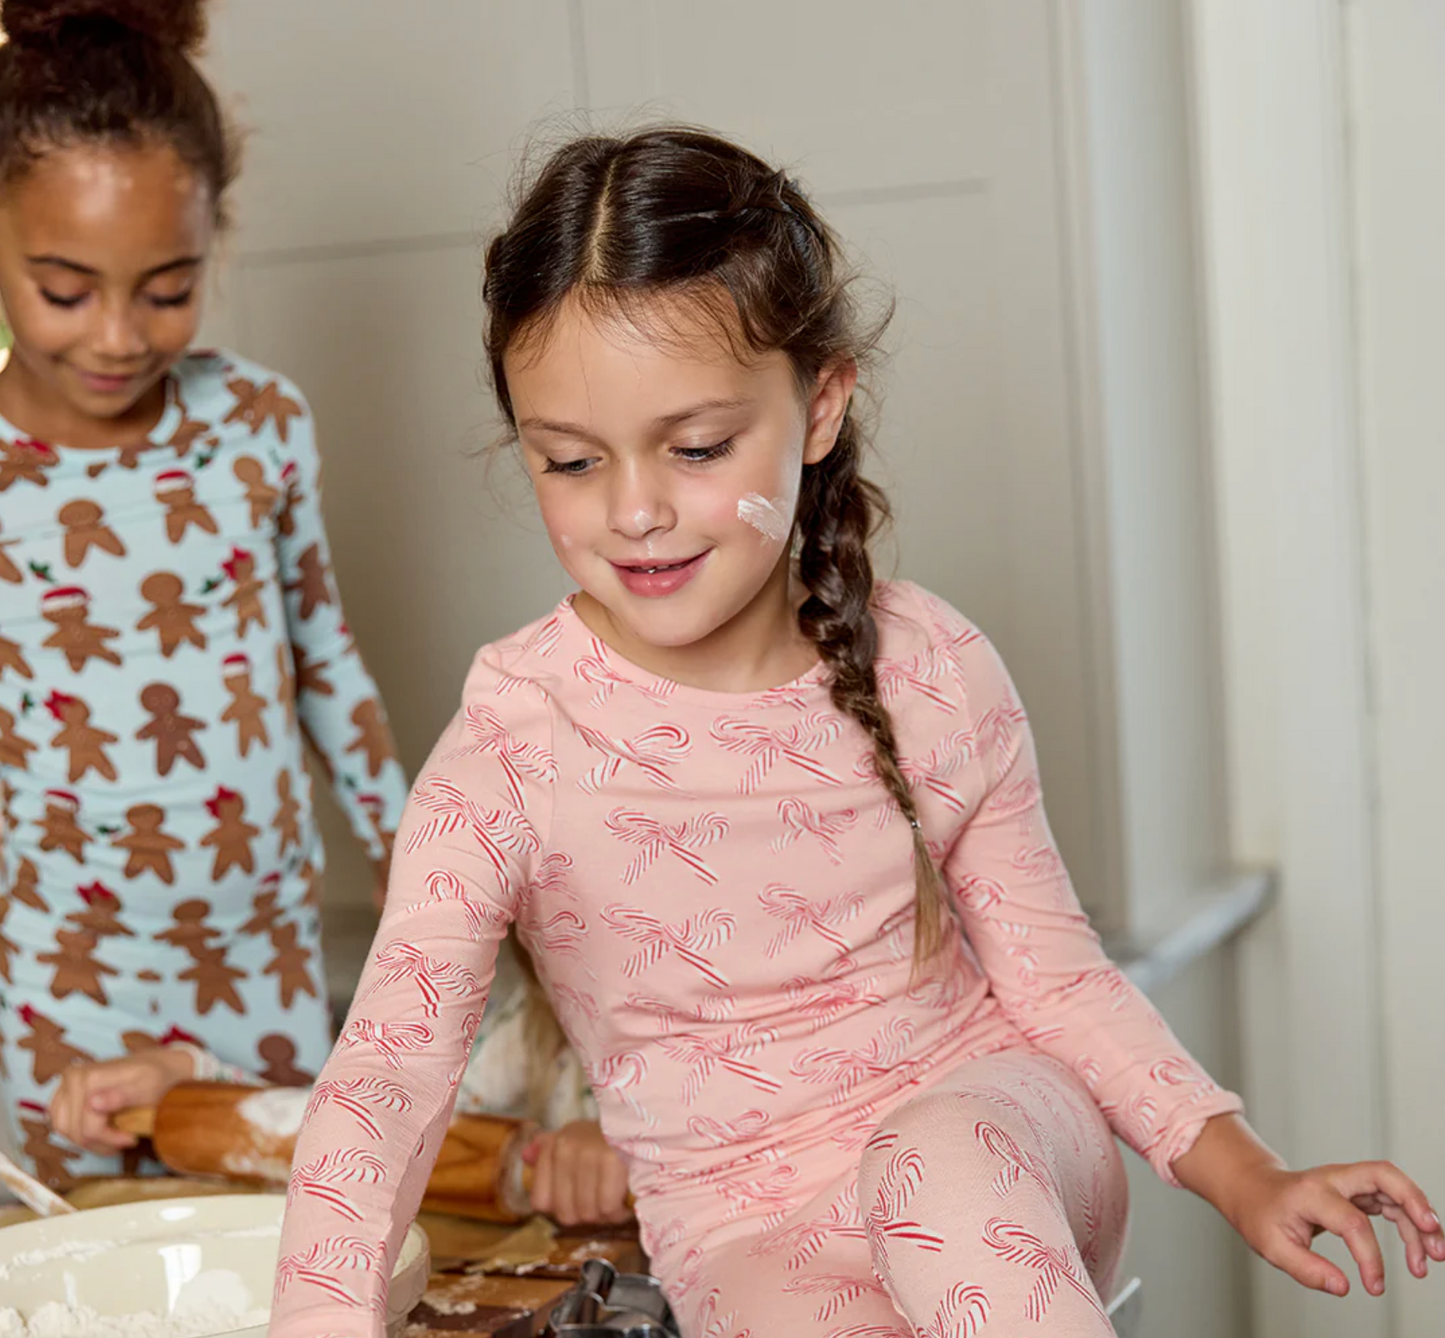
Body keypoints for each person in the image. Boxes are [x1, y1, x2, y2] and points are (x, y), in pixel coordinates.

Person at [269, 127, 1443, 1337]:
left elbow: (1058, 982)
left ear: (819, 404)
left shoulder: (930, 667)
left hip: (993, 1138)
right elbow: (389, 1079)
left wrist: (1243, 1169)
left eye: (697, 448)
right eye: (569, 462)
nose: (633, 510)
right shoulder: (512, 745)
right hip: (745, 1232)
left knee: (938, 1172)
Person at [0, 0, 407, 1184]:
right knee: (92, 1274)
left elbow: (323, 660)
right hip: (61, 968)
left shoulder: (258, 425)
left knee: (285, 1239)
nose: (120, 336)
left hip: (260, 949)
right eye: (65, 292)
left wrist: (417, 865)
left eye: (169, 288)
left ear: (214, 238)